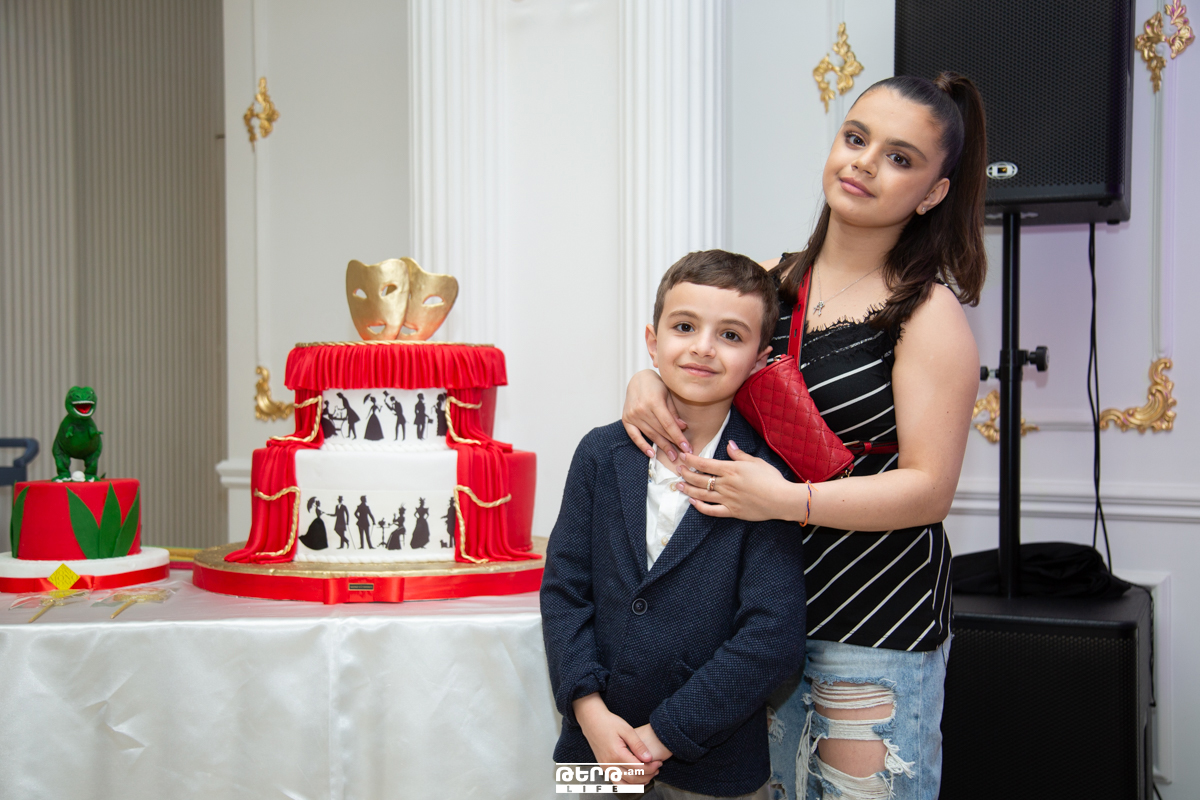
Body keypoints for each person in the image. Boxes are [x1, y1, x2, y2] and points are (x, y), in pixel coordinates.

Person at [621, 74, 986, 800]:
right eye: (856, 138)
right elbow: (692, 362)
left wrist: (789, 500)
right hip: (752, 624)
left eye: (900, 158)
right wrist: (646, 383)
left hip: (873, 619)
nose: (864, 163)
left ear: (933, 193)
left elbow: (929, 490)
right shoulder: (767, 282)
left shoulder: (928, 313)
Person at [542, 250, 808, 799]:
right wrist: (590, 713)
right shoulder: (598, 454)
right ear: (652, 338)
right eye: (685, 326)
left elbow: (773, 636)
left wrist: (661, 735)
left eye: (730, 335)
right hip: (593, 750)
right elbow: (565, 592)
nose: (703, 347)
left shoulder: (767, 476)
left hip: (716, 767)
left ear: (760, 358)